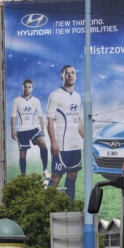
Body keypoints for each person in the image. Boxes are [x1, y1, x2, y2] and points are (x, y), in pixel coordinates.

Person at [46, 65, 84, 201]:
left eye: (72, 73)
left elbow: (78, 120)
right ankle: (46, 205)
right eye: (67, 73)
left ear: (76, 75)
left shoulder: (78, 97)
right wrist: (53, 142)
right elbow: (49, 121)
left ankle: (69, 205)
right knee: (56, 176)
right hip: (61, 145)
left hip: (75, 145)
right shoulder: (56, 95)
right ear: (62, 76)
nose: (70, 75)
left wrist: (86, 139)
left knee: (73, 175)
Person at [11, 79, 49, 180]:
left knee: (43, 143)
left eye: (29, 87)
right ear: (22, 87)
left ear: (32, 88)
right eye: (25, 87)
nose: (27, 89)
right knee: (23, 153)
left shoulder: (36, 101)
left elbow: (40, 116)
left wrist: (43, 129)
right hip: (22, 130)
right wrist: (12, 130)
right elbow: (13, 116)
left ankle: (45, 169)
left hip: (33, 128)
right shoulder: (17, 100)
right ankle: (23, 176)